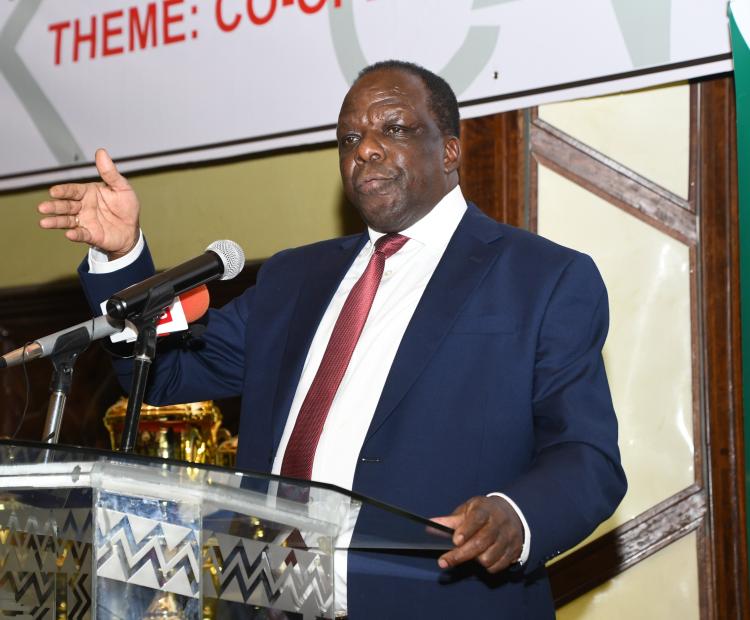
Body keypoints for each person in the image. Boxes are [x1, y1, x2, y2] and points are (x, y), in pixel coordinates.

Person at [38, 60, 626, 618]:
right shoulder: (297, 276)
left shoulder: (542, 278)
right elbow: (169, 372)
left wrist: (516, 517)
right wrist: (122, 259)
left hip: (442, 601)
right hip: (268, 599)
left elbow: (586, 457)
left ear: (450, 150)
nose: (365, 148)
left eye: (393, 128)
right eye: (348, 139)